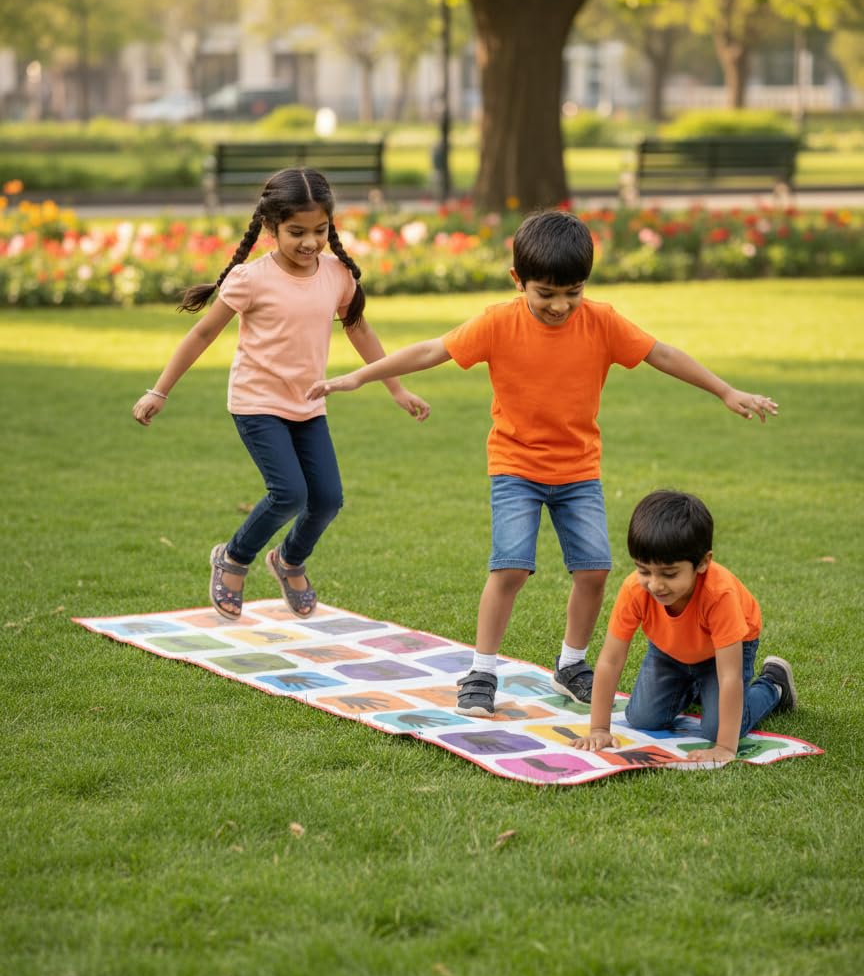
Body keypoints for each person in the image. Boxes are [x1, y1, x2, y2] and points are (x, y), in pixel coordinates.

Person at [306, 209, 778, 717]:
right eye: (546, 293)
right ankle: (481, 670)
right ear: (518, 280)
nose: (560, 305)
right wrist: (361, 376)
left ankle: (571, 664)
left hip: (579, 472)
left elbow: (660, 353)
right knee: (509, 567)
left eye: (573, 292)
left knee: (595, 570)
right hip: (516, 467)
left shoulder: (601, 321)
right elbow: (430, 350)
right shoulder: (497, 323)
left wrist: (724, 390)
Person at [132, 167, 429, 621]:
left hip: (308, 404)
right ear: (271, 228)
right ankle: (233, 557)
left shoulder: (337, 275)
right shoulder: (251, 279)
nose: (310, 242)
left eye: (320, 230)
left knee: (327, 498)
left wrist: (396, 387)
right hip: (257, 403)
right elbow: (202, 334)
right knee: (289, 493)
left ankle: (288, 560)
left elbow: (359, 330)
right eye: (297, 232)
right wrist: (159, 391)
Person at [574, 489, 797, 764]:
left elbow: (729, 675)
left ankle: (773, 684)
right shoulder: (634, 590)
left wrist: (725, 748)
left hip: (722, 652)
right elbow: (610, 659)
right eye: (644, 570)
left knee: (716, 728)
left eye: (669, 574)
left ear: (703, 563)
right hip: (669, 649)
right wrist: (599, 729)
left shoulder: (719, 595)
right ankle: (698, 688)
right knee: (642, 718)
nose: (655, 584)